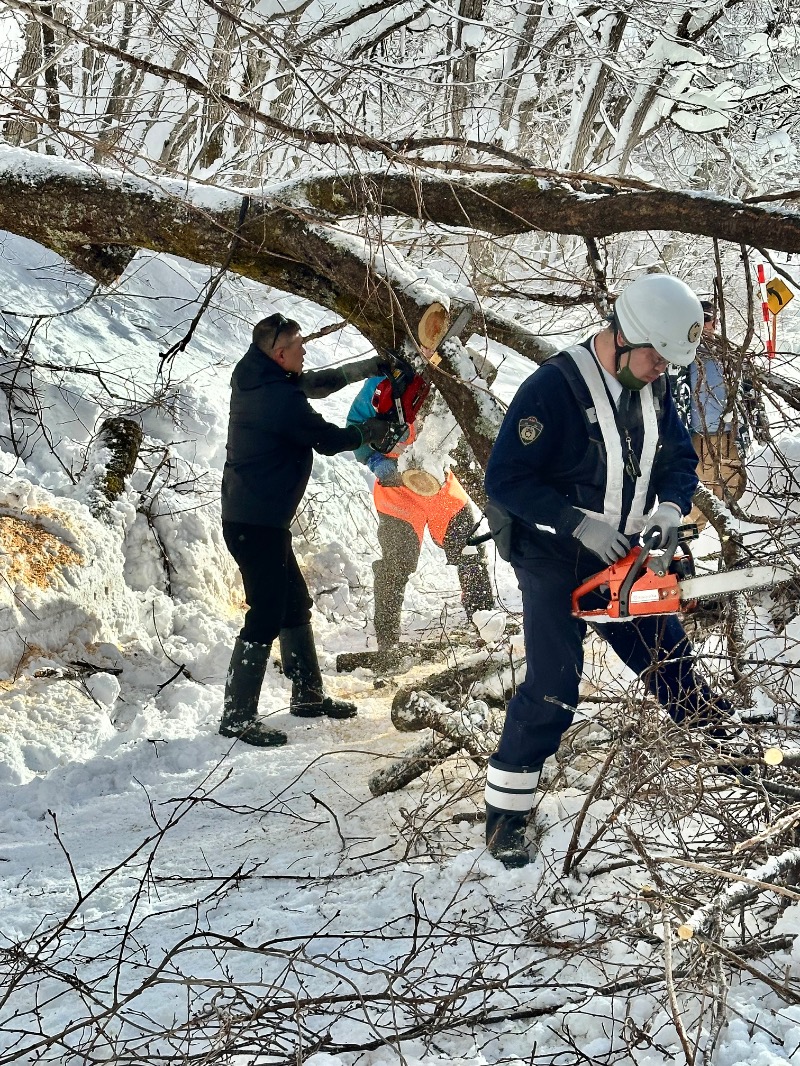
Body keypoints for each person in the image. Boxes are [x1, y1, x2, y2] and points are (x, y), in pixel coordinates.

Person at [483, 274, 740, 868]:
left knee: (670, 662)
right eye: (654, 357)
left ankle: (748, 765)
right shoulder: (553, 389)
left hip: (624, 552)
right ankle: (506, 820)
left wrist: (671, 509)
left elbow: (679, 458)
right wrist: (574, 521)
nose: (660, 370)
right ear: (624, 336)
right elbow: (506, 480)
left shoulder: (655, 383)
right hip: (553, 556)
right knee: (554, 684)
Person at [219, 313, 392, 747]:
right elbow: (328, 439)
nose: (305, 350)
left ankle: (309, 695)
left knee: (294, 602)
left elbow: (313, 382)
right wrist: (366, 432)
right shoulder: (275, 399)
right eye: (298, 345)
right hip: (253, 522)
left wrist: (369, 368)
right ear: (280, 354)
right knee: (266, 611)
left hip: (260, 519)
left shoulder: (260, 374)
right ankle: (237, 716)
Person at [347, 363, 494, 661]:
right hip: (397, 489)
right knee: (395, 565)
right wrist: (375, 461)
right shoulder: (378, 386)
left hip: (440, 485)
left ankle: (487, 624)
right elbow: (354, 429)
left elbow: (479, 392)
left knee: (469, 550)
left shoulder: (448, 378)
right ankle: (388, 642)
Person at [669, 299, 747, 528]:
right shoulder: (681, 354)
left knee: (730, 491)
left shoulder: (729, 353)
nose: (704, 325)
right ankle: (685, 547)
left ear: (715, 321)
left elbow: (748, 392)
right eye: (699, 319)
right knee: (695, 496)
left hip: (727, 435)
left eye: (708, 318)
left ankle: (729, 545)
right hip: (694, 436)